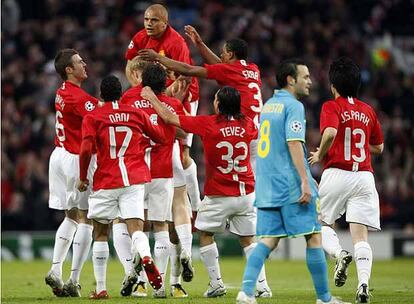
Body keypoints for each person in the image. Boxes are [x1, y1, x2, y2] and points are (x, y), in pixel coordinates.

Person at [236, 59, 350, 304]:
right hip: (290, 184)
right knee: (314, 236)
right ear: (290, 79)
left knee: (268, 240)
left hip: (266, 185)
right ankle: (325, 298)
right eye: (305, 76)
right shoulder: (293, 106)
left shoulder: (268, 106)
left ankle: (245, 293)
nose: (310, 81)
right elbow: (293, 143)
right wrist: (305, 180)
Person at [140, 85, 271, 298]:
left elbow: (170, 118)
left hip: (219, 194)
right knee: (248, 241)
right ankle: (263, 286)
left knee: (205, 234)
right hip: (246, 193)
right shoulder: (249, 125)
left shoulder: (209, 124)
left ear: (218, 104)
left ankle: (216, 283)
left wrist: (152, 98)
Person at [77, 75, 166, 299]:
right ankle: (146, 256)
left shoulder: (93, 116)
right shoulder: (136, 113)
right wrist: (143, 141)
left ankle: (101, 289)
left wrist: (82, 177)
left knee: (100, 232)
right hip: (135, 178)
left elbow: (86, 149)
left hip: (107, 179)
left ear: (101, 95)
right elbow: (159, 137)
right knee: (136, 228)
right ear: (121, 93)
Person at [308, 57, 384, 304]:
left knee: (321, 224)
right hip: (364, 176)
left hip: (336, 173)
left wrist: (319, 153)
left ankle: (339, 254)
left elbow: (330, 132)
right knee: (360, 236)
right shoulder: (368, 110)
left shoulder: (332, 106)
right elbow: (379, 147)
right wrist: (358, 145)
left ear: (333, 85)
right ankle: (363, 286)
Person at [138, 28, 262, 171]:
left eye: (223, 52)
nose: (221, 55)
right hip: (254, 130)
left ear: (230, 54)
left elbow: (188, 70)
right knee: (251, 178)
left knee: (223, 171)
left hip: (239, 129)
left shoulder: (229, 71)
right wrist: (200, 43)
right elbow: (222, 68)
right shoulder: (253, 69)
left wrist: (158, 57)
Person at [125, 3, 201, 227]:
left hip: (183, 96)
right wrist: (141, 91)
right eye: (147, 19)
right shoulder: (140, 38)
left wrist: (166, 99)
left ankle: (197, 205)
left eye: (154, 20)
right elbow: (130, 65)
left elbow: (185, 77)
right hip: (155, 94)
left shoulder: (176, 43)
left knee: (183, 150)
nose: (149, 24)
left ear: (165, 23)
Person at [119, 62, 187, 298]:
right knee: (161, 227)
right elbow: (183, 132)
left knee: (136, 226)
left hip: (136, 171)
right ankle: (161, 287)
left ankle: (139, 282)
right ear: (165, 83)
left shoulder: (128, 98)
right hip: (162, 171)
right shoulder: (173, 104)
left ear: (143, 80)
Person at [45, 48, 98, 297]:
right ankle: (73, 280)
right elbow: (102, 115)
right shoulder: (79, 98)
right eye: (79, 62)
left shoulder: (61, 92)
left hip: (58, 155)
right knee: (86, 218)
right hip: (76, 159)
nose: (84, 64)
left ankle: (56, 269)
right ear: (69, 70)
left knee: (70, 217)